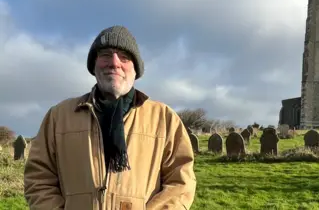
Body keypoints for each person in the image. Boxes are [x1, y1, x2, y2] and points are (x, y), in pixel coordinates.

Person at [24, 25, 197, 209]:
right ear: (94, 65)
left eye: (124, 57)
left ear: (135, 68)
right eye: (105, 55)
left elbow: (180, 183)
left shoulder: (164, 118)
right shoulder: (59, 116)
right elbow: (38, 179)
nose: (114, 63)